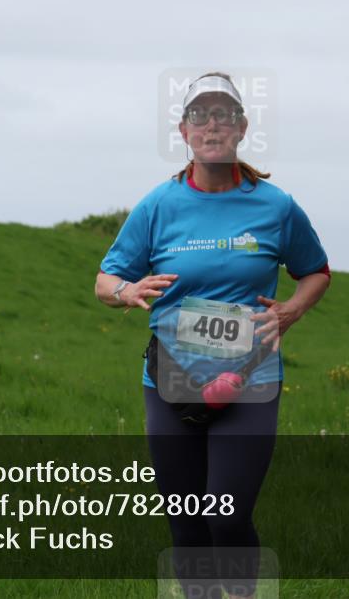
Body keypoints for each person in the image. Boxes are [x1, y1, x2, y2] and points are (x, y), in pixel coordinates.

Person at [95, 72, 330, 598]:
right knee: (187, 526)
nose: (212, 124)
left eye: (224, 114)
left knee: (225, 514)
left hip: (251, 378)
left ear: (243, 127)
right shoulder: (158, 205)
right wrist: (126, 292)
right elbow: (103, 279)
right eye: (200, 115)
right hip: (170, 381)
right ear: (183, 130)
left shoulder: (275, 207)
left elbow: (316, 270)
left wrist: (291, 310)